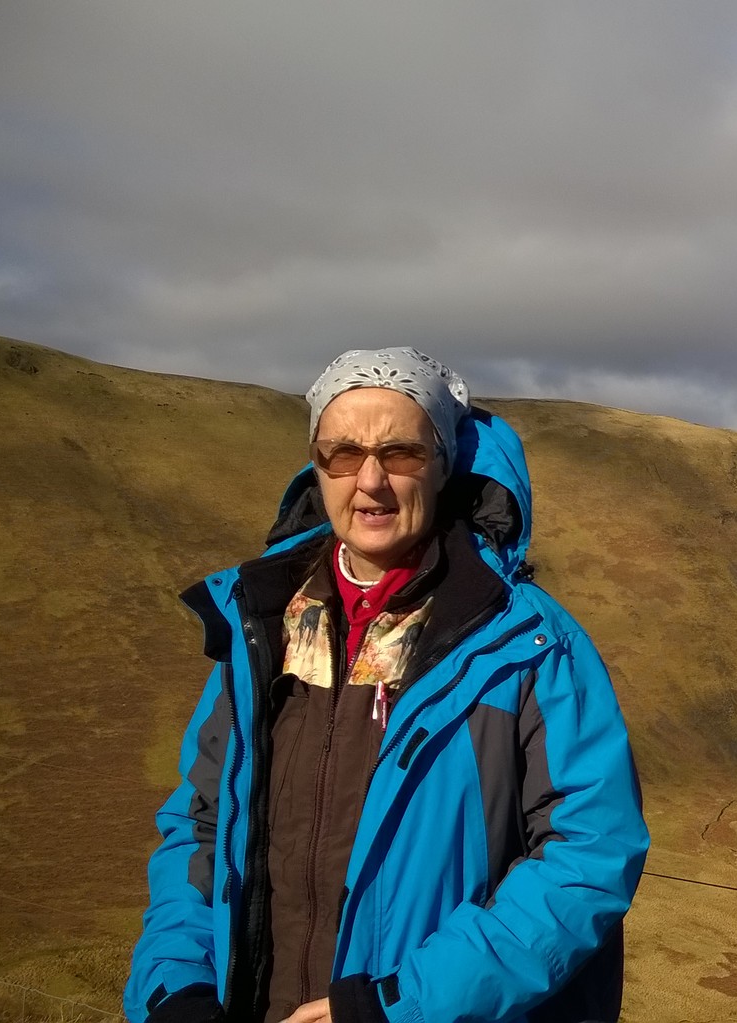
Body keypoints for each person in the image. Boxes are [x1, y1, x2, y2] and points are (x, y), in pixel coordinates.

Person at [124, 348, 649, 1023]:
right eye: (341, 453)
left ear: (443, 464)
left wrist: (399, 1005)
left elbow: (588, 854)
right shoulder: (263, 629)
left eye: (400, 452)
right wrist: (176, 986)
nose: (369, 481)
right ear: (316, 468)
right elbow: (200, 826)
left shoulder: (529, 645)